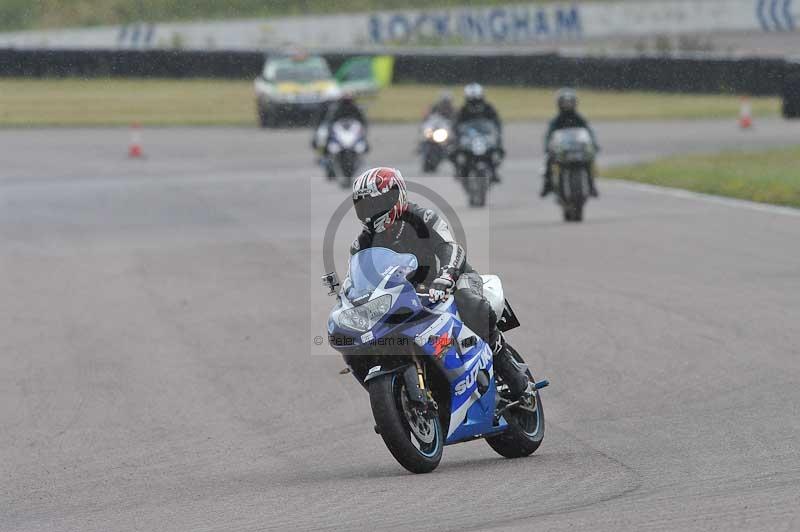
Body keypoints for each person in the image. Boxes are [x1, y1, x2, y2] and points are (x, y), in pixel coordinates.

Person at [349, 166, 530, 399]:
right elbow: (357, 281)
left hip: (454, 279)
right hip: (409, 297)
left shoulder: (422, 218)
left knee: (469, 303)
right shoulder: (362, 244)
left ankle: (511, 371)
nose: (372, 212)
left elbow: (451, 248)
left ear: (397, 195)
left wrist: (445, 277)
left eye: (377, 203)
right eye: (365, 206)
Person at [541, 88, 599, 198]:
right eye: (565, 103)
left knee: (590, 161)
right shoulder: (556, 120)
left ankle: (591, 186)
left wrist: (594, 144)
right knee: (549, 161)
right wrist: (547, 147)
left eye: (570, 103)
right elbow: (549, 135)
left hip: (577, 150)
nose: (567, 105)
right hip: (562, 150)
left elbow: (589, 132)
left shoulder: (579, 119)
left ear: (574, 103)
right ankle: (547, 186)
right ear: (559, 104)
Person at [453, 83, 504, 182]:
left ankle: (493, 171)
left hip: (484, 135)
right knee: (455, 151)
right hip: (469, 136)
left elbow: (496, 121)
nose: (474, 102)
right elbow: (456, 124)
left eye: (476, 99)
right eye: (472, 100)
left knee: (497, 150)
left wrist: (497, 132)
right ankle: (460, 171)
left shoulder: (488, 108)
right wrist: (457, 134)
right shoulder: (463, 109)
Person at [312, 94, 368, 177]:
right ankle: (325, 160)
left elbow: (362, 123)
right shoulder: (333, 109)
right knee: (322, 137)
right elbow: (329, 123)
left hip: (348, 134)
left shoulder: (353, 109)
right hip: (336, 135)